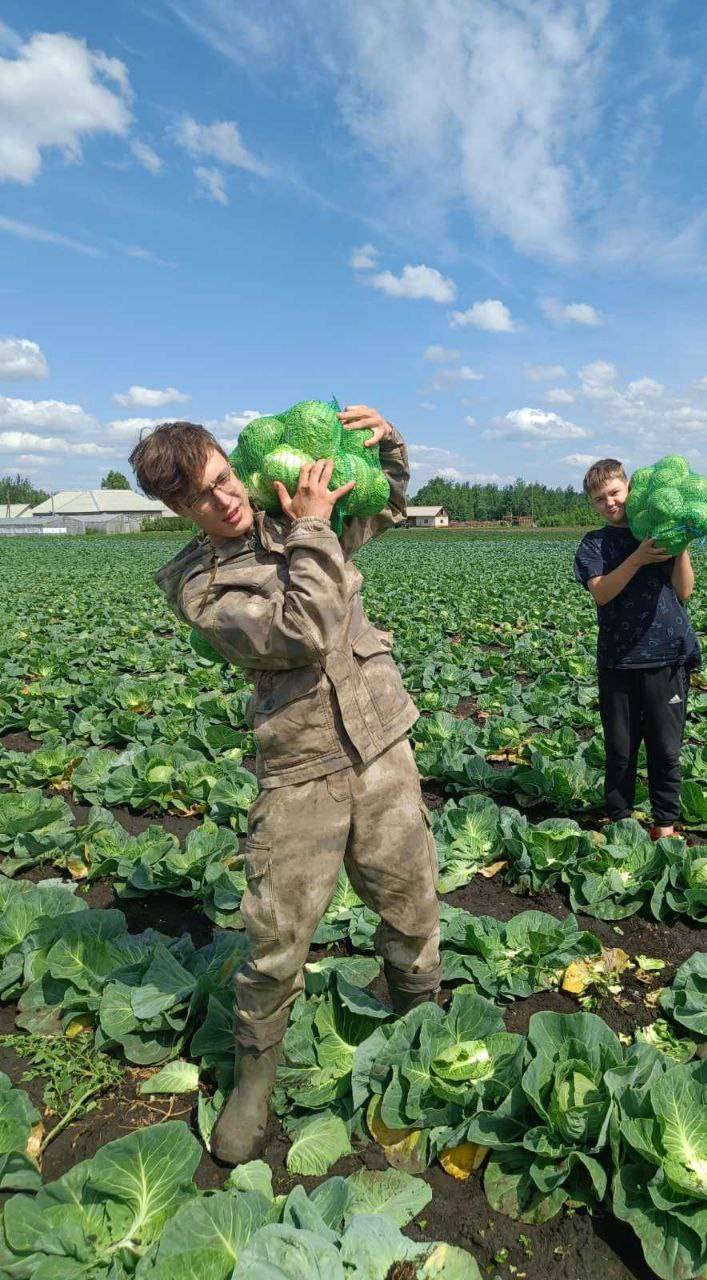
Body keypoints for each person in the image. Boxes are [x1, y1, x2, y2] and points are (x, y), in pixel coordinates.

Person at [129, 406, 441, 1165]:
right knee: (276, 937)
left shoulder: (289, 510)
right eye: (203, 495)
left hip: (379, 739)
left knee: (411, 900)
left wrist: (384, 445)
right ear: (178, 509)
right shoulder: (200, 586)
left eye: (225, 477)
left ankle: (418, 1029)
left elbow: (383, 500)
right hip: (301, 767)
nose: (227, 498)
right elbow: (302, 630)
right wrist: (312, 528)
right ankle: (254, 1079)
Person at [573, 458, 700, 838]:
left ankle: (664, 824)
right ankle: (621, 822)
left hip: (667, 655)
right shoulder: (594, 544)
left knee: (665, 748)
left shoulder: (660, 533)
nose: (609, 503)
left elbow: (684, 591)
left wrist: (681, 546)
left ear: (628, 489)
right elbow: (602, 593)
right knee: (620, 749)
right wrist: (637, 558)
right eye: (599, 499)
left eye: (614, 493)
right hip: (619, 659)